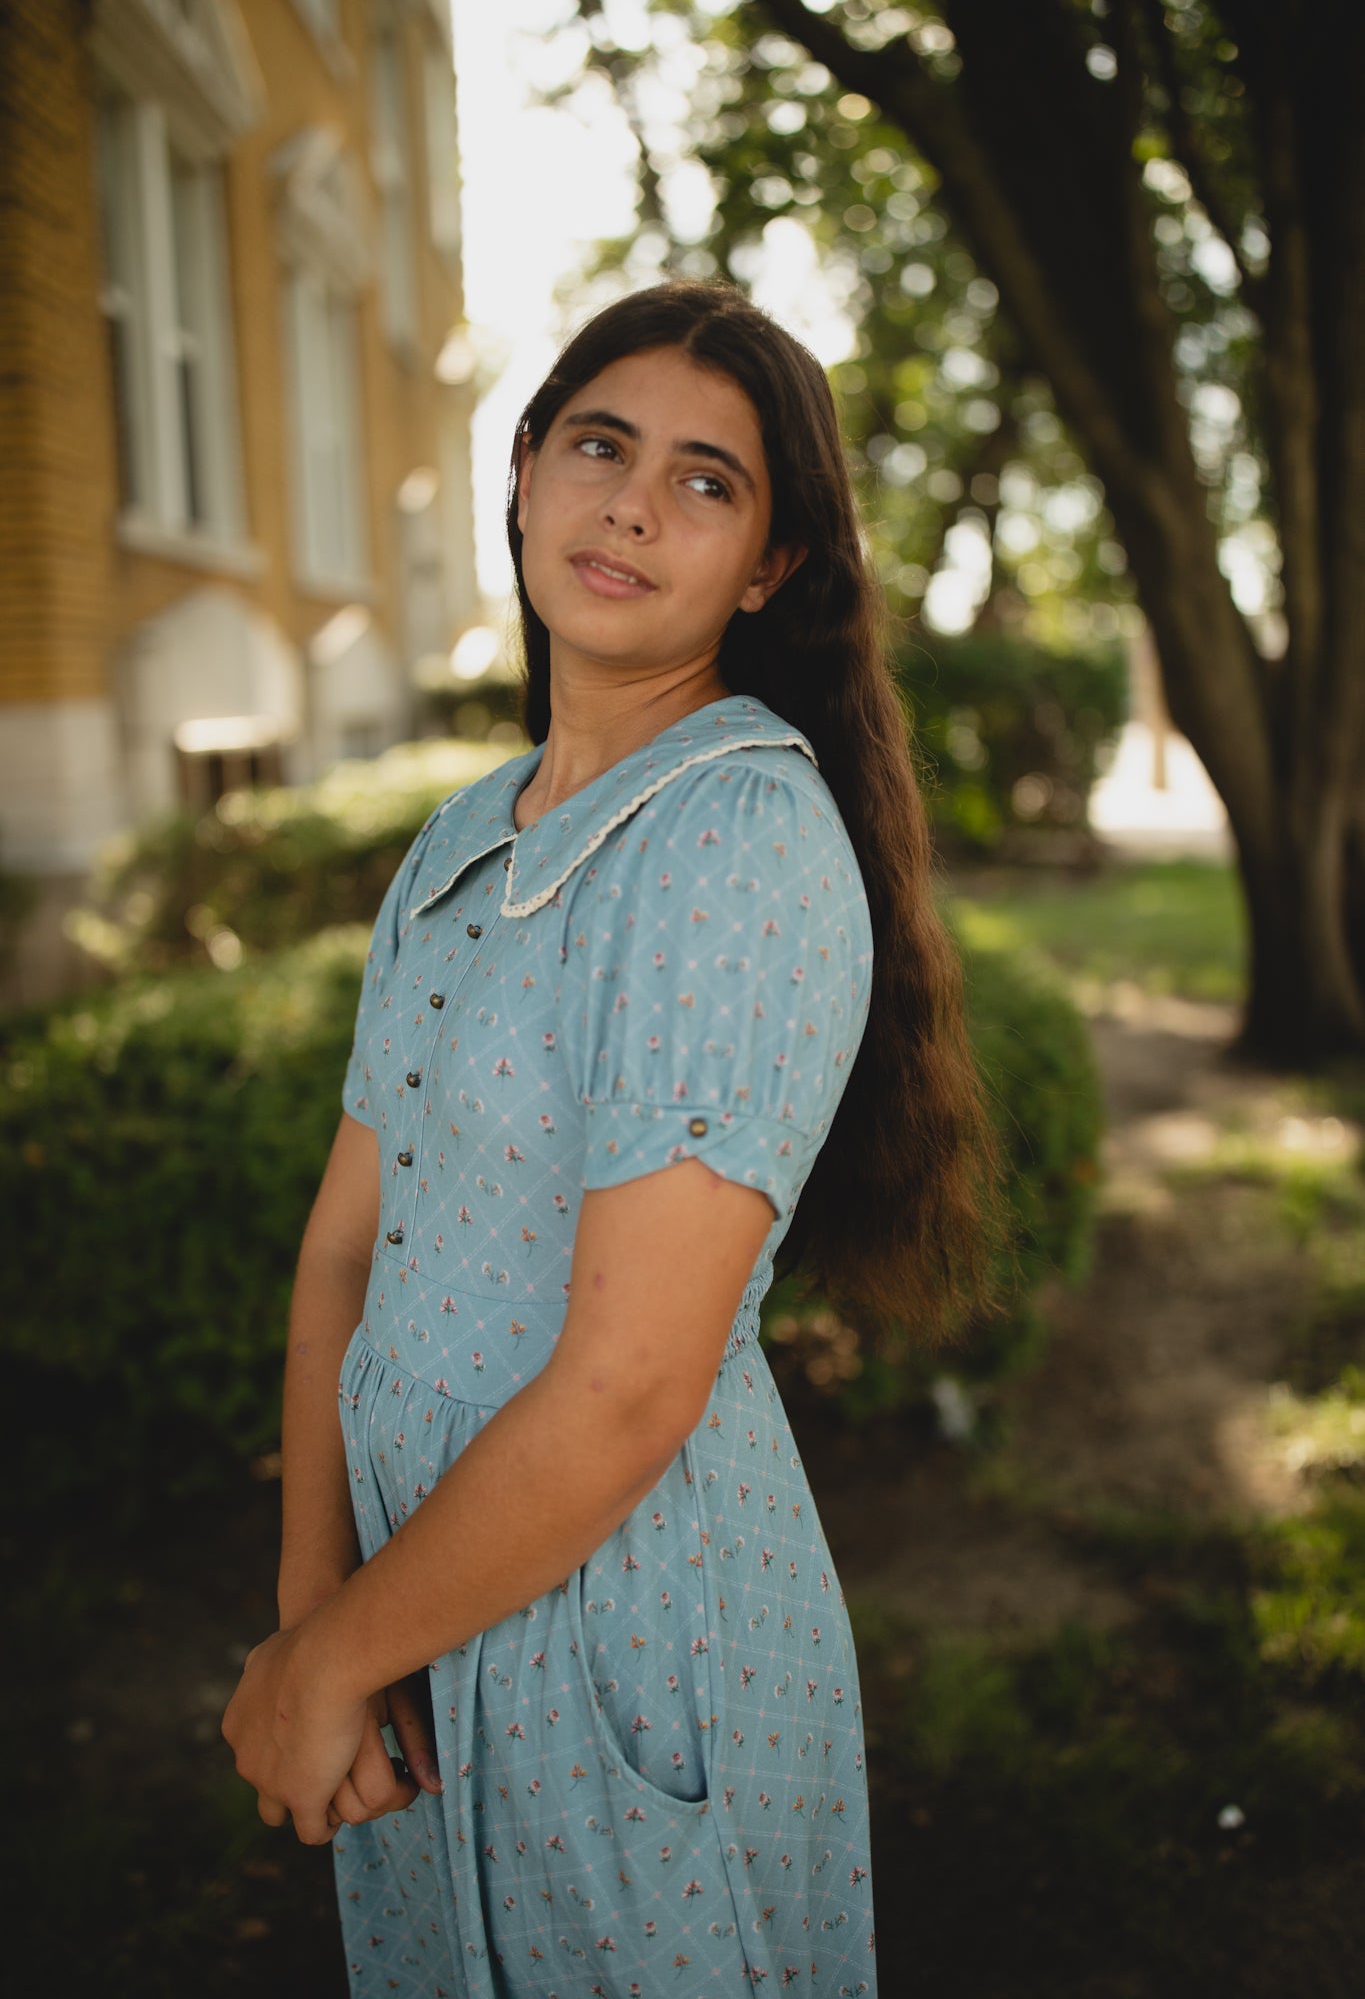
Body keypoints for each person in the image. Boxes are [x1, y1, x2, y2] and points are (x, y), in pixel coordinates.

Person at [223, 279, 1001, 1997]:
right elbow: (346, 1247)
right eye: (599, 445)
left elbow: (632, 1382)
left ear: (769, 564)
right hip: (415, 1623)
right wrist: (315, 1623)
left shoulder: (734, 840)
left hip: (631, 1632)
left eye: (708, 481)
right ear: (522, 475)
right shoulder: (457, 840)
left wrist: (331, 1656)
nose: (634, 503)